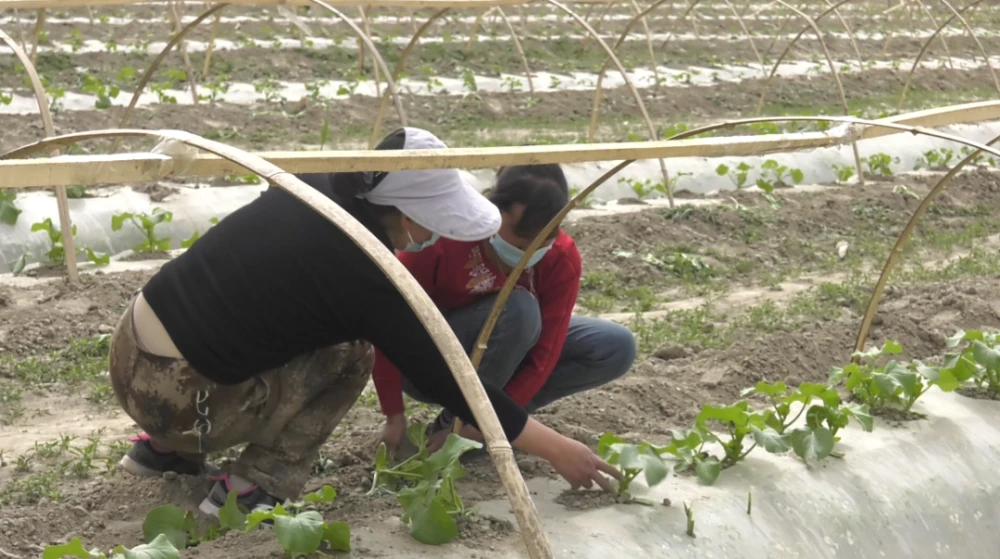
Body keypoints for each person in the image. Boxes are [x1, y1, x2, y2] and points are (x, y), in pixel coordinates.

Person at [108, 127, 621, 517]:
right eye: (431, 218)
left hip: (130, 352)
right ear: (400, 210)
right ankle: (252, 488)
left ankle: (162, 453)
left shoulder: (313, 185)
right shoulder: (366, 267)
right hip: (183, 402)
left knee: (276, 324)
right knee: (350, 355)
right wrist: (555, 447)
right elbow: (451, 378)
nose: (432, 233)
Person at [374, 163, 637, 459]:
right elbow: (387, 324)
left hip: (506, 350)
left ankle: (488, 423)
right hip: (430, 363)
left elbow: (545, 353)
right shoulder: (443, 236)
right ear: (491, 209)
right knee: (519, 309)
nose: (527, 252)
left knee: (614, 346)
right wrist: (393, 414)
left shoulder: (561, 258)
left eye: (542, 239)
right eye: (520, 238)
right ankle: (465, 420)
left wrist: (481, 425)